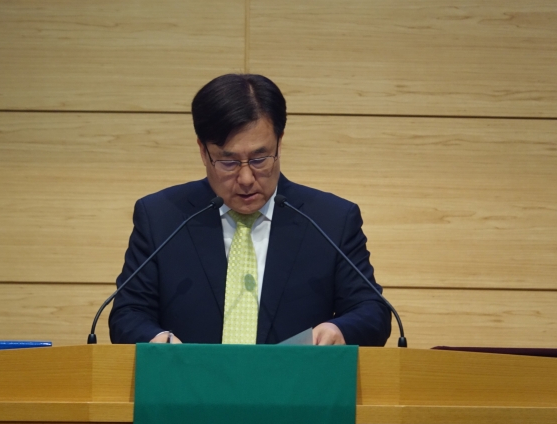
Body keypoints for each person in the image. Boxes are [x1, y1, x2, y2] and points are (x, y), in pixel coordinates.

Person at [108, 74, 391, 346]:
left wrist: (338, 329)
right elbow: (128, 313)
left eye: (259, 159)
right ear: (203, 151)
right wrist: (158, 341)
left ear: (279, 143)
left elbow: (372, 311)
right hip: (187, 378)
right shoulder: (161, 217)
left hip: (295, 378)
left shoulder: (331, 220)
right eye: (228, 162)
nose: (245, 178)